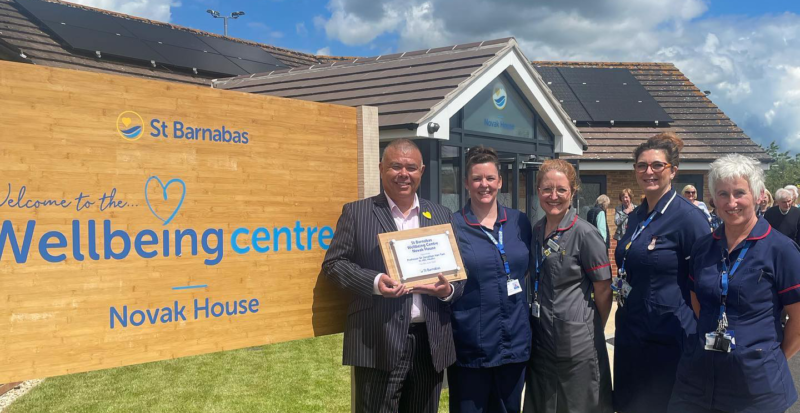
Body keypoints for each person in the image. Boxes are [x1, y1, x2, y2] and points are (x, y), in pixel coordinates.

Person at [321, 138, 463, 413]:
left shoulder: (441, 215)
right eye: (395, 166)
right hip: (378, 340)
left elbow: (459, 275)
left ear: (421, 170)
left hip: (429, 341)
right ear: (381, 168)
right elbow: (334, 264)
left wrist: (447, 290)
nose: (403, 174)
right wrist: (374, 282)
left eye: (411, 167)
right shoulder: (357, 212)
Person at [668, 154, 800, 413]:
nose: (731, 202)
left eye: (740, 193)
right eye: (723, 194)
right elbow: (698, 302)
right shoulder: (704, 247)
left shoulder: (781, 250)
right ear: (713, 199)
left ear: (759, 195)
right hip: (699, 377)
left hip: (756, 386)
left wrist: (771, 359)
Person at [613, 132, 711, 413]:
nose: (649, 171)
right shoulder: (635, 216)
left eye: (657, 165)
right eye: (642, 165)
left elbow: (705, 284)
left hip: (669, 337)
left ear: (673, 171)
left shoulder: (689, 219)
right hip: (632, 330)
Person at [524, 159, 613, 413]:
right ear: (538, 191)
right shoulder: (537, 230)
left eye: (561, 190)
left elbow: (604, 289)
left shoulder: (585, 234)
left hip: (577, 346)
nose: (554, 196)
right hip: (542, 339)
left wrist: (590, 325)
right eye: (546, 189)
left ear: (573, 192)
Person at [449, 146, 531, 413]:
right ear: (466, 183)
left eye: (490, 178)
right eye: (476, 179)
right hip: (472, 346)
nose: (484, 185)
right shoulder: (453, 226)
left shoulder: (519, 222)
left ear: (500, 181)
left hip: (514, 343)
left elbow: (524, 268)